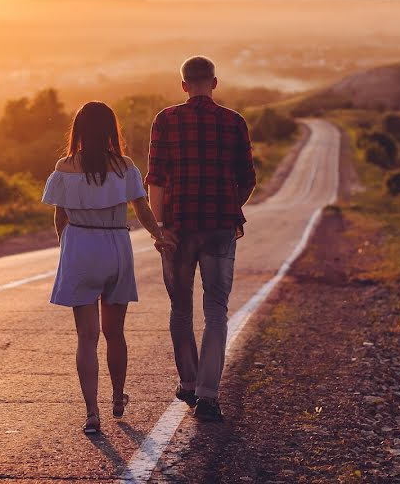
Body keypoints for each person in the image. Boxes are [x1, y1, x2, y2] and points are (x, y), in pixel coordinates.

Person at [42, 101, 173, 435]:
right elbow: (142, 209)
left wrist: (67, 251)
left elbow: (60, 217)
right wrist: (159, 237)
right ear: (111, 130)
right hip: (115, 246)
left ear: (79, 130)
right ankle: (117, 397)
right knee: (115, 333)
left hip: (80, 247)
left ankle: (91, 413)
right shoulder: (125, 166)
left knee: (87, 337)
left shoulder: (64, 166)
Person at [145, 56, 257, 422]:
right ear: (214, 82)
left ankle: (189, 382)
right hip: (219, 227)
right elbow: (248, 179)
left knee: (180, 308)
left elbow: (156, 179)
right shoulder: (234, 122)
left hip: (177, 226)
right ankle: (208, 394)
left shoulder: (165, 120)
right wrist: (227, 206)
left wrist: (160, 226)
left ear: (183, 85)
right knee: (216, 310)